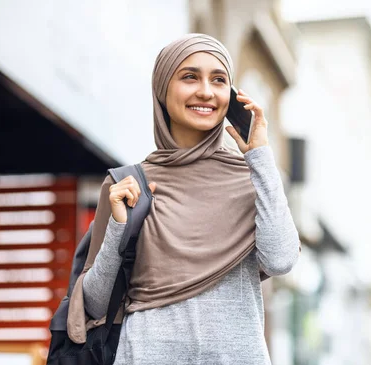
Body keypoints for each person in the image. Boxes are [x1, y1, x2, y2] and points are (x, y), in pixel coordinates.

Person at [66, 33, 301, 364]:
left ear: (231, 96)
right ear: (163, 88)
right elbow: (94, 302)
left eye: (218, 80)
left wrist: (260, 156)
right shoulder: (126, 185)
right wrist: (119, 225)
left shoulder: (252, 178)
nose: (205, 91)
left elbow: (280, 260)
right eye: (189, 76)